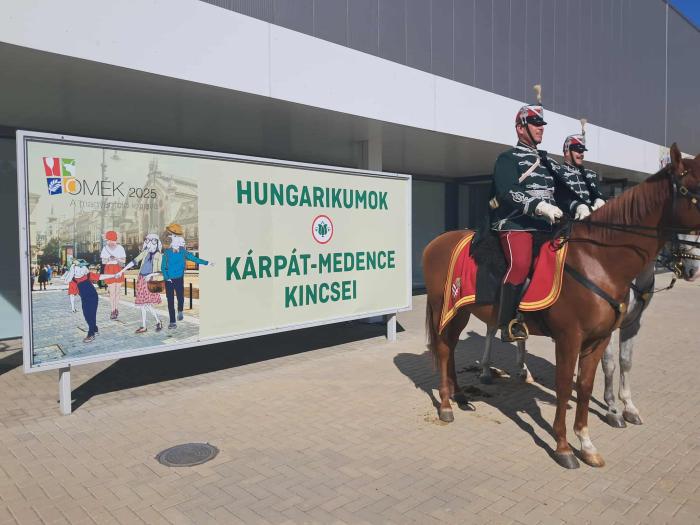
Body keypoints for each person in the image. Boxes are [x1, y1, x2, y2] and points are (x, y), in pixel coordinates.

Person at [488, 86, 563, 342]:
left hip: (546, 226)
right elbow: (508, 191)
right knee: (519, 264)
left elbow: (562, 192)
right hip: (515, 224)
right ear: (521, 128)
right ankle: (508, 323)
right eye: (535, 124)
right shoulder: (507, 159)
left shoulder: (547, 162)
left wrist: (580, 206)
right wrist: (540, 207)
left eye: (541, 124)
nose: (540, 128)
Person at [161, 223, 213, 329]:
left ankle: (180, 310)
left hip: (179, 278)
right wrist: (167, 278)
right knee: (170, 301)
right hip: (169, 280)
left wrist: (207, 263)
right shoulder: (167, 252)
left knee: (180, 298)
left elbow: (194, 259)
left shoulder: (183, 252)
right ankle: (172, 322)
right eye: (174, 237)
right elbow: (163, 267)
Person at [556, 126, 606, 220]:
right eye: (578, 151)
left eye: (582, 151)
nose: (581, 154)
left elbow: (599, 194)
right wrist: (577, 206)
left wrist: (600, 199)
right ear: (567, 151)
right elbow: (559, 198)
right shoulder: (557, 172)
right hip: (567, 222)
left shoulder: (591, 175)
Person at [118, 234, 163, 333]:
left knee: (146, 304)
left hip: (149, 281)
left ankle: (152, 323)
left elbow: (160, 271)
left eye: (152, 242)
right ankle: (149, 324)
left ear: (156, 243)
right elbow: (134, 261)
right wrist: (122, 271)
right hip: (141, 279)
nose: (150, 244)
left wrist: (150, 275)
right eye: (148, 242)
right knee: (144, 304)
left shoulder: (159, 255)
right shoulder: (145, 252)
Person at [100, 230, 126, 320]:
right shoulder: (105, 248)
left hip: (118, 269)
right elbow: (103, 261)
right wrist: (109, 259)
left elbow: (123, 262)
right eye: (109, 240)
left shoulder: (120, 248)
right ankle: (112, 310)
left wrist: (117, 259)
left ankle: (116, 308)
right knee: (112, 292)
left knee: (117, 291)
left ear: (115, 240)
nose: (110, 242)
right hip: (109, 270)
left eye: (112, 240)